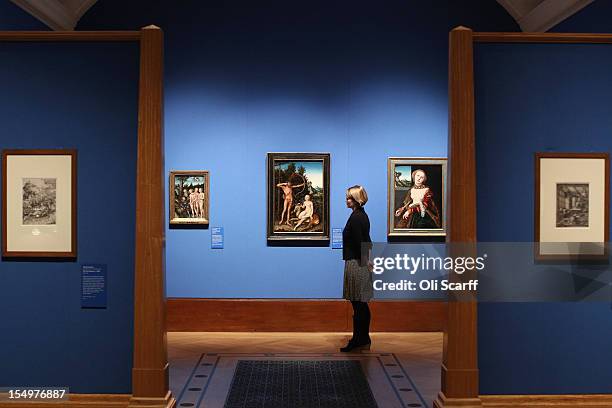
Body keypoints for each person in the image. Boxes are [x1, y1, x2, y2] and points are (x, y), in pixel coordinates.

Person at [341, 185, 373, 352]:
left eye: (349, 198)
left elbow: (361, 241)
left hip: (357, 262)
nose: (346, 200)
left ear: (356, 200)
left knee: (358, 302)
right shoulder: (360, 215)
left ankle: (359, 339)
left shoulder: (357, 217)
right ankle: (362, 337)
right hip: (359, 261)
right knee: (360, 303)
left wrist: (366, 260)